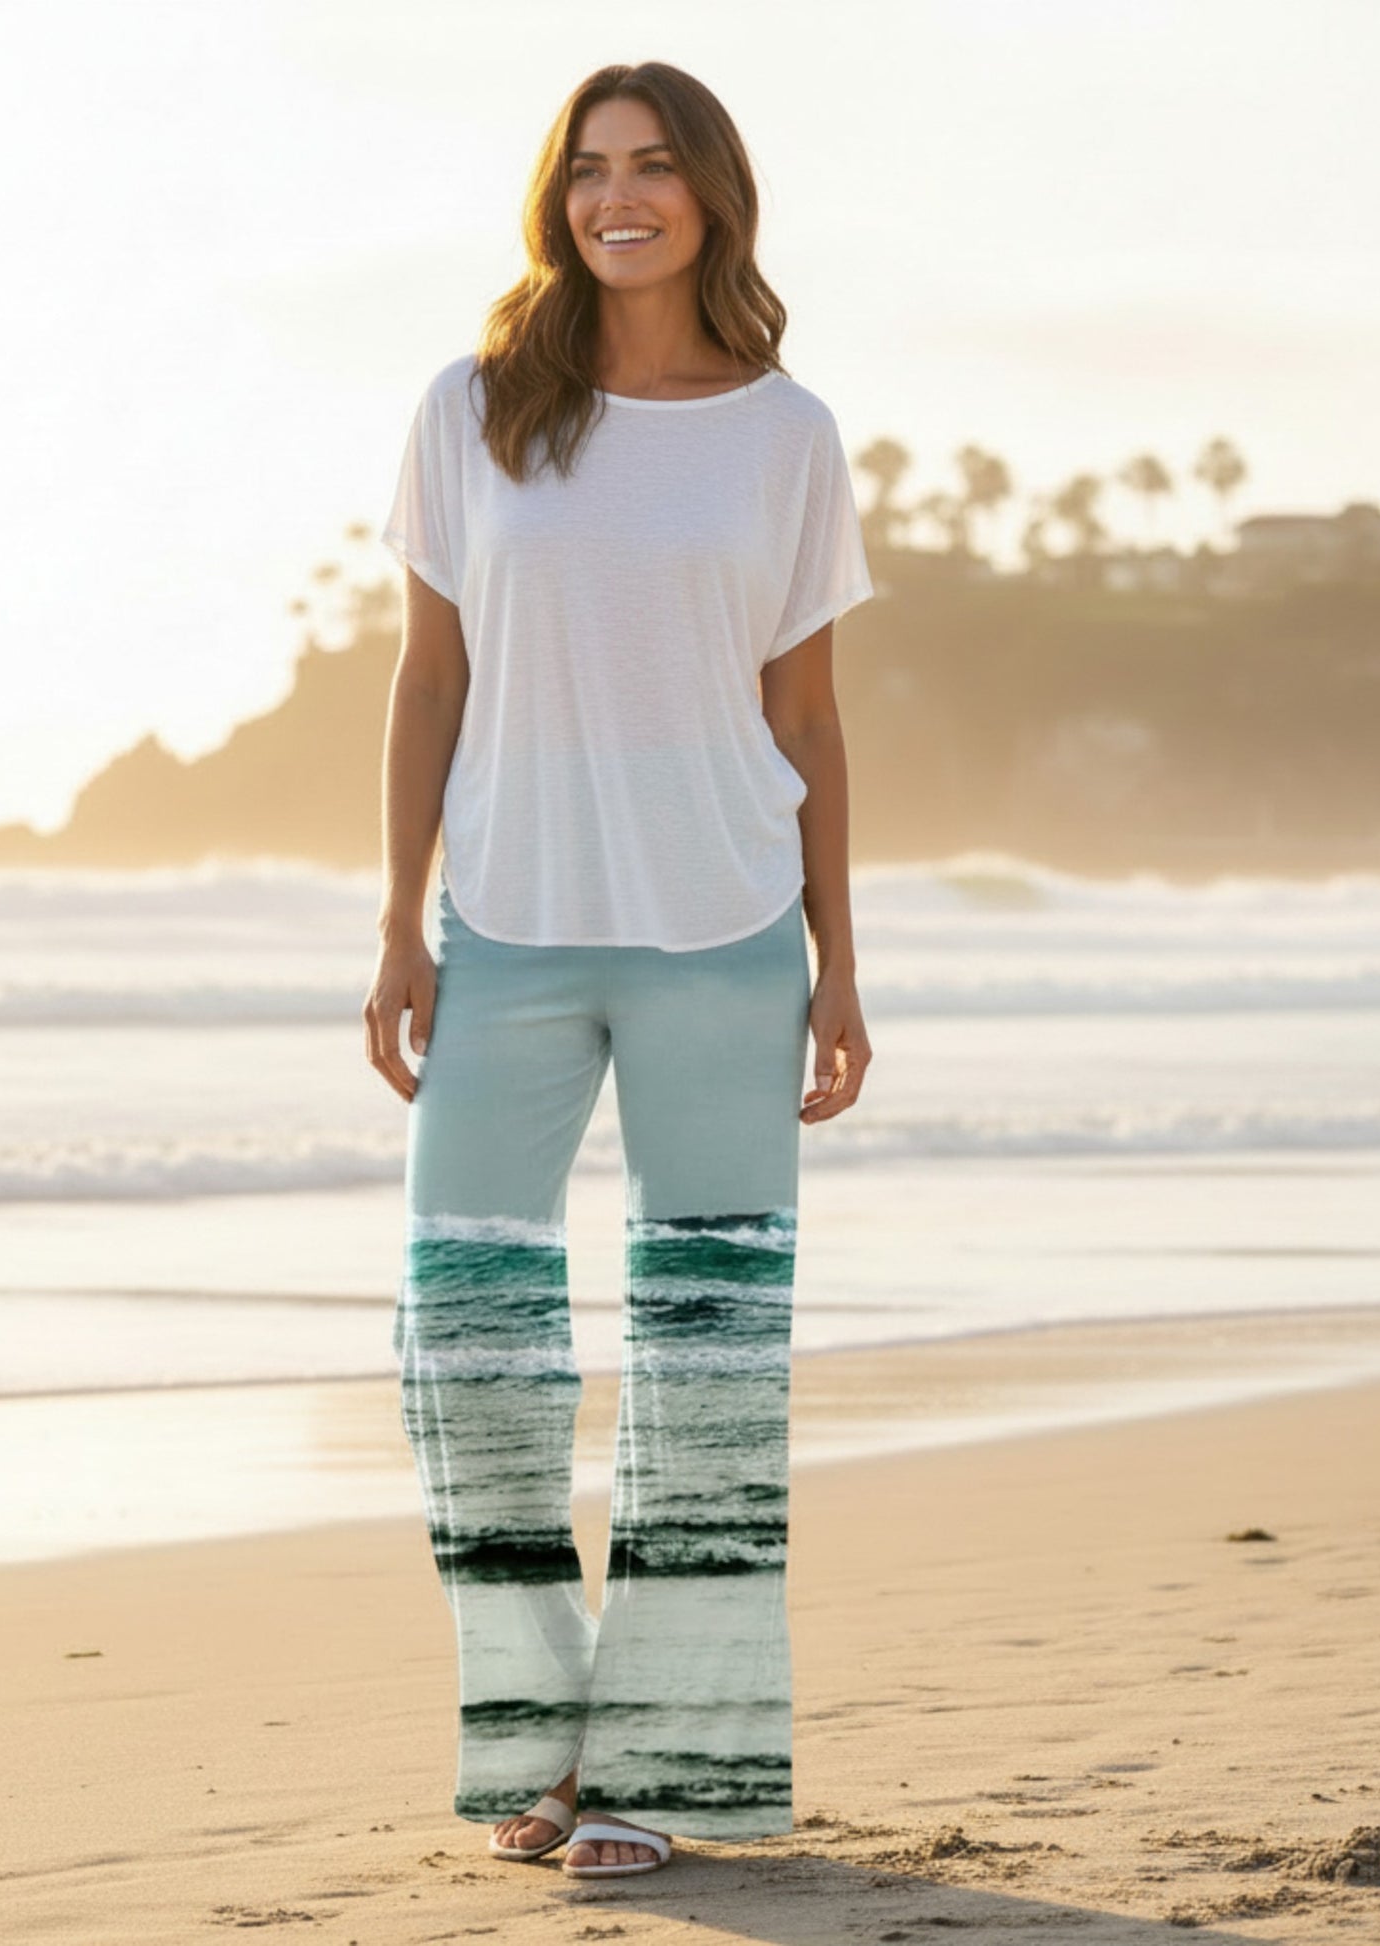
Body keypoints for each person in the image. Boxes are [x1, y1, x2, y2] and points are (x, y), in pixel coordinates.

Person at [363, 59, 874, 1881]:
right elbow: (429, 678)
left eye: (653, 167)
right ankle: (536, 1737)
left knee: (706, 1371)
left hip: (729, 937)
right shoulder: (475, 408)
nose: (617, 197)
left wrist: (837, 959)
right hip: (504, 926)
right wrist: (397, 924)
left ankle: (667, 1770)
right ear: (555, 198)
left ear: (712, 194)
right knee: (471, 1351)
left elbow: (802, 708)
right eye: (588, 171)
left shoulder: (786, 432)